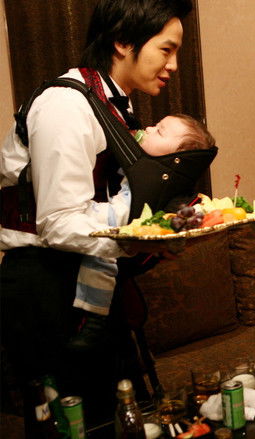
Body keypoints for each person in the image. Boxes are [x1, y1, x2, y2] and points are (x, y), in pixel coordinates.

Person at [0, 0, 194, 427]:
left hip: (87, 275)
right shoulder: (66, 105)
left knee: (118, 415)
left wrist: (162, 235)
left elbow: (107, 205)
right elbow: (58, 223)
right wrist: (138, 240)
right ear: (123, 41)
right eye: (166, 49)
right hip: (45, 284)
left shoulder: (114, 105)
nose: (174, 65)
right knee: (73, 424)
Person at [68, 114, 215, 351]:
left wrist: (181, 226)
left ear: (177, 156)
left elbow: (186, 213)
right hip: (101, 226)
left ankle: (94, 319)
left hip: (119, 236)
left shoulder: (169, 186)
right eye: (155, 125)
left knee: (101, 263)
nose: (148, 128)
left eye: (159, 131)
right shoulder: (135, 161)